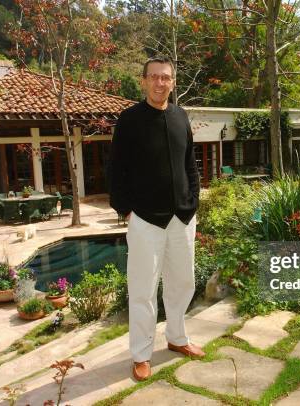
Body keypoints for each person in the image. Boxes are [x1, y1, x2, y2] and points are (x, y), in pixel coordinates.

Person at [108, 56, 205, 382]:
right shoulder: (129, 120)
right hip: (146, 220)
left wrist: (193, 201)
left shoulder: (181, 117)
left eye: (166, 78)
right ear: (144, 81)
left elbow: (190, 163)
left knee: (183, 282)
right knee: (142, 290)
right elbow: (115, 170)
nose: (160, 83)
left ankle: (177, 338)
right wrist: (127, 210)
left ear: (172, 82)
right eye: (154, 77)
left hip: (182, 217)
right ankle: (141, 355)